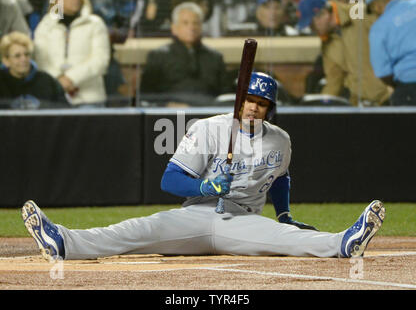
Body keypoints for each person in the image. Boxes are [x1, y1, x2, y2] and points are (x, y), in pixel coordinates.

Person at [21, 72, 385, 261]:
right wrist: (205, 188)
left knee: (287, 238)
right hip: (196, 215)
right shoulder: (209, 128)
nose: (254, 108)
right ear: (239, 101)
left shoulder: (281, 139)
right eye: (249, 100)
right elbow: (170, 179)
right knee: (137, 230)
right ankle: (64, 242)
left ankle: (344, 243)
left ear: (270, 109)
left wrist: (285, 213)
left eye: (262, 103)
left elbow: (280, 177)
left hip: (242, 221)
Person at [297, 0, 392, 106]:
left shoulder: (360, 13)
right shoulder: (327, 43)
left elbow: (394, 39)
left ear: (323, 13)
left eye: (311, 24)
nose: (312, 30)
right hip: (360, 105)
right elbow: (334, 81)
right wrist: (320, 108)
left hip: (389, 98)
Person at [139, 2, 233, 107]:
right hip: (169, 117)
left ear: (201, 27)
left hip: (208, 115)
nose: (191, 28)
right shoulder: (158, 56)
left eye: (195, 23)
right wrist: (166, 105)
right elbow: (146, 97)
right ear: (174, 28)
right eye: (185, 23)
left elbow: (226, 97)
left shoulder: (215, 57)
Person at [33, 0, 110, 107]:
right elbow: (41, 60)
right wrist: (59, 80)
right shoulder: (45, 25)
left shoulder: (95, 23)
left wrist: (71, 78)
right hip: (54, 97)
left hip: (89, 98)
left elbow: (100, 60)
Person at [366, 0, 416, 105]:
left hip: (409, 88)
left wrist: (399, 85)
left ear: (376, 5)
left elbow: (382, 72)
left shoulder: (378, 28)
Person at [0, 31, 67, 109]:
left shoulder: (47, 81)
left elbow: (64, 111)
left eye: (26, 54)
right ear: (6, 61)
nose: (23, 59)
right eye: (17, 56)